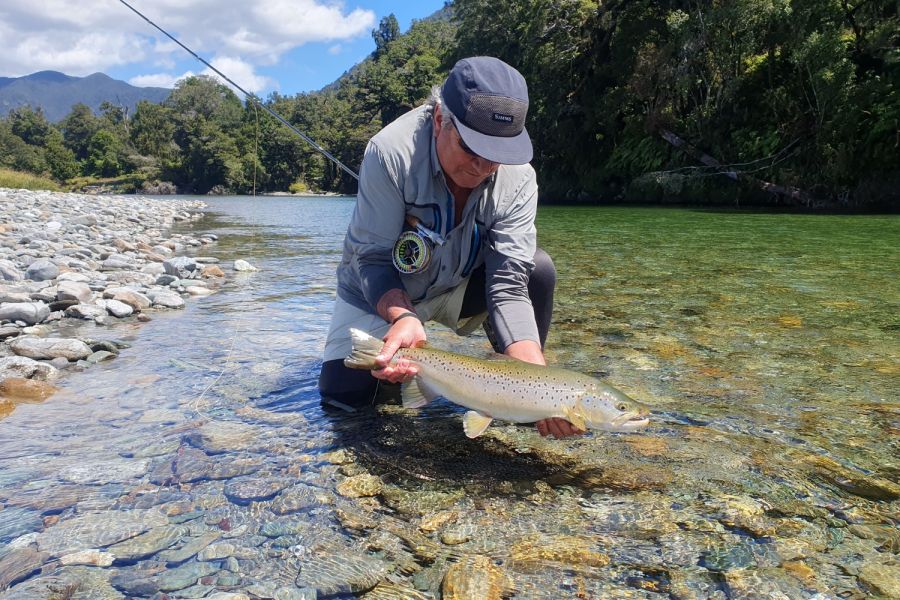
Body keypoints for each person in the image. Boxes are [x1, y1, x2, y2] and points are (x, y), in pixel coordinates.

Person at [319, 56, 581, 438]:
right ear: (441, 119)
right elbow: (371, 259)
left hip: (458, 286)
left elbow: (508, 284)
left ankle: (506, 400)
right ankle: (415, 372)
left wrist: (538, 386)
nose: (483, 166)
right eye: (472, 148)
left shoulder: (520, 179)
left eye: (497, 155)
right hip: (382, 290)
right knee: (343, 402)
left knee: (537, 271)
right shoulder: (390, 153)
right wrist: (403, 317)